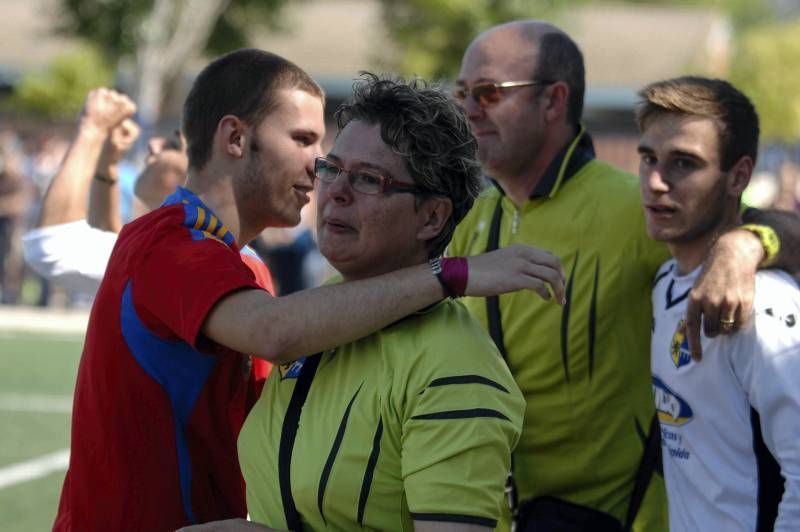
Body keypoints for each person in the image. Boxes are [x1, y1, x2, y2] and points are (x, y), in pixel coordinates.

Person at [54, 49, 565, 532]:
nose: (323, 179)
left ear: (432, 215)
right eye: (313, 149)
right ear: (234, 137)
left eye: (367, 179)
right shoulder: (193, 255)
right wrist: (452, 274)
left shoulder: (443, 362)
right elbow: (274, 332)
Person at [449, 20, 800, 531]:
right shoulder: (471, 213)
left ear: (553, 101)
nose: (469, 108)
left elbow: (775, 228)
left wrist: (747, 243)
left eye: (487, 92)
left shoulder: (637, 209)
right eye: (462, 93)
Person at [639, 76, 800, 531]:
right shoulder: (666, 281)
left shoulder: (763, 303)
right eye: (648, 157)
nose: (655, 181)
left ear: (740, 176)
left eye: (684, 163)